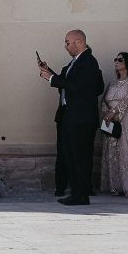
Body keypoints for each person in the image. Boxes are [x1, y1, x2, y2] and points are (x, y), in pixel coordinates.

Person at [39, 29, 102, 206]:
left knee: (80, 156)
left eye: (68, 42)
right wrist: (49, 73)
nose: (65, 46)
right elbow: (67, 83)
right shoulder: (76, 62)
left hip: (81, 118)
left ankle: (81, 194)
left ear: (79, 42)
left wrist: (52, 78)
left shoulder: (88, 62)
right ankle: (76, 192)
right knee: (71, 156)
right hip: (70, 117)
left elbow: (79, 86)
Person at [100, 52, 128, 197]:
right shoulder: (112, 83)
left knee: (126, 149)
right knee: (112, 151)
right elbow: (104, 101)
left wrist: (115, 112)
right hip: (111, 120)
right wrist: (107, 114)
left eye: (120, 59)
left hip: (127, 118)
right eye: (115, 59)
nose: (117, 62)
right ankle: (116, 186)